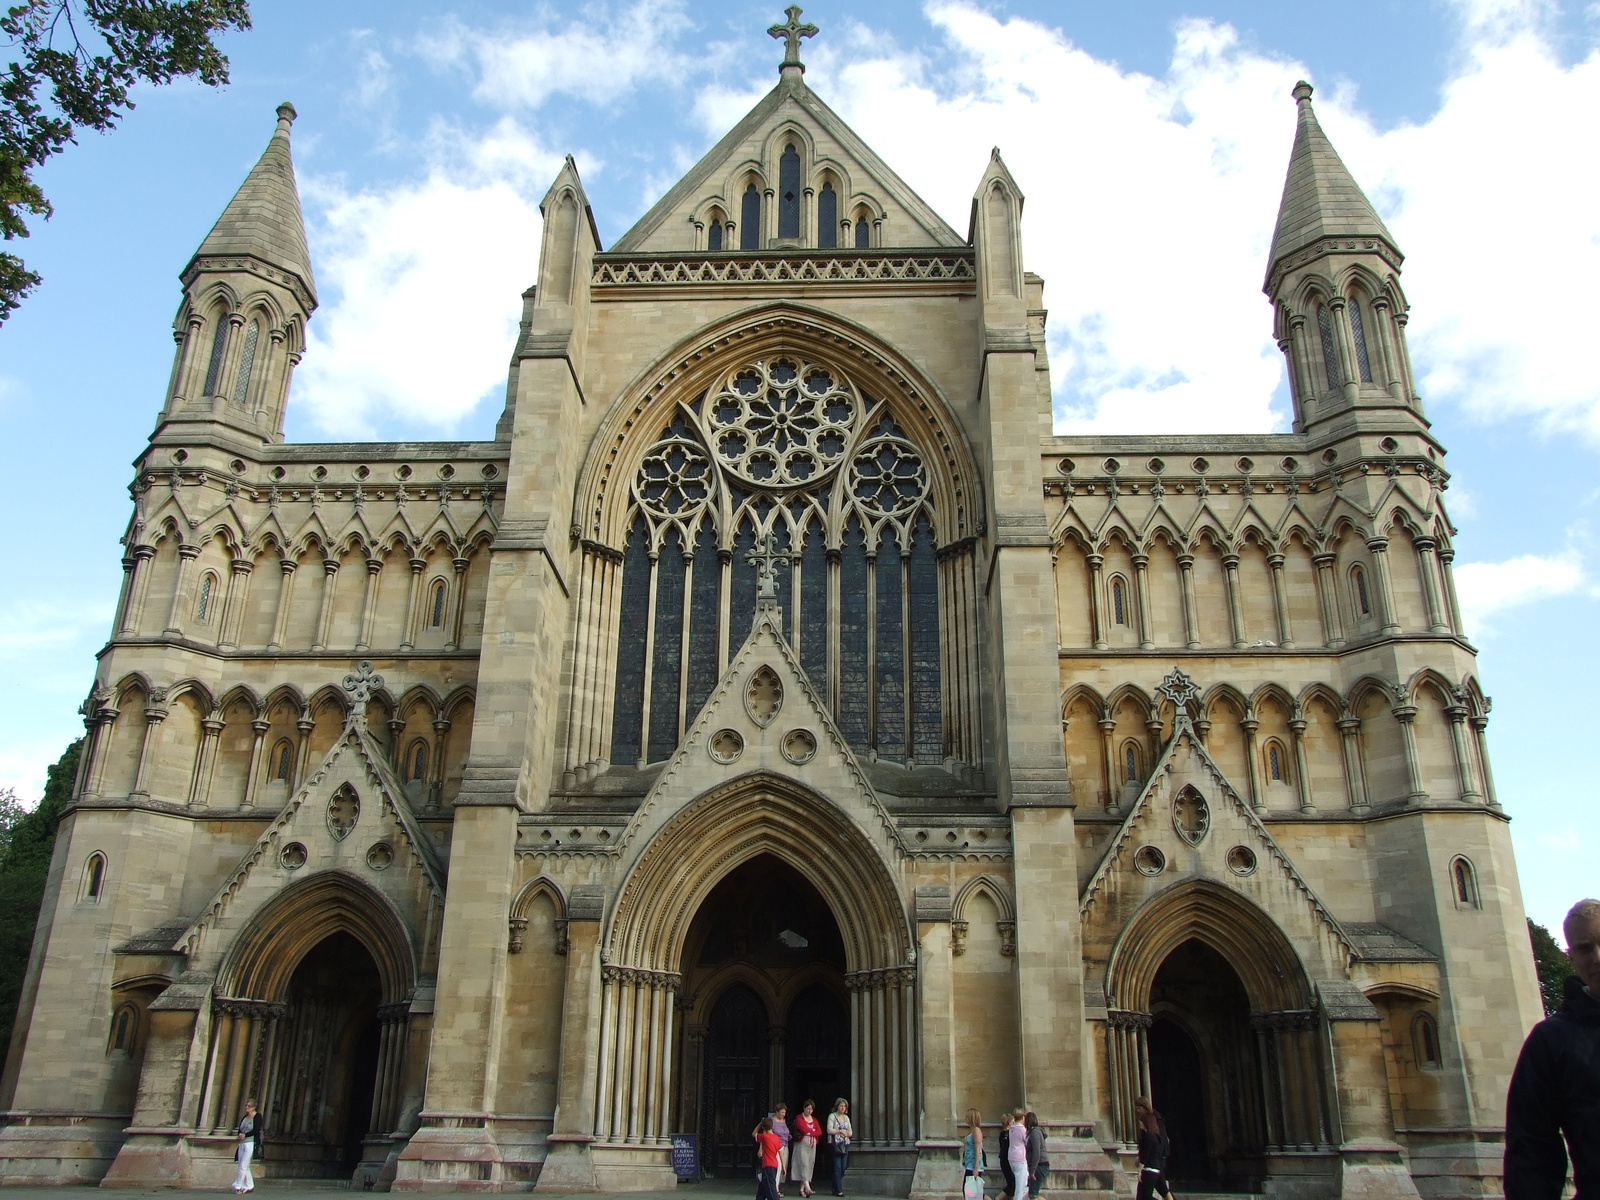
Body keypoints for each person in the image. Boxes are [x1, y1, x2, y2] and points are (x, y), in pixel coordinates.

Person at [1505, 897, 1600, 1199]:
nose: (1597, 957)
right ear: (1571, 956)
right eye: (1586, 948)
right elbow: (1532, 1152)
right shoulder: (1552, 1041)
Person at [1132, 1097, 1171, 1200]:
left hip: (1156, 1160)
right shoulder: (1148, 1131)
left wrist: (1158, 1156)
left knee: (1160, 1188)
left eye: (1139, 1107)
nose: (1137, 1110)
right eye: (1136, 1108)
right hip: (1152, 1163)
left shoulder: (1154, 1119)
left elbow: (1162, 1141)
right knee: (1160, 1188)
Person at [791, 1099, 823, 1198]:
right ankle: (808, 1187)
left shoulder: (814, 1119)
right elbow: (803, 1128)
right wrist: (811, 1130)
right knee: (803, 1164)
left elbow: (819, 1132)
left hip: (812, 1144)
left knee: (809, 1164)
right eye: (808, 1108)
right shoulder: (799, 1117)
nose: (810, 1111)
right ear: (804, 1108)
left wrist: (810, 1132)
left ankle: (802, 1189)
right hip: (802, 1144)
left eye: (811, 1109)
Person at [826, 1097, 852, 1196]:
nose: (843, 1108)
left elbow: (850, 1131)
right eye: (841, 1106)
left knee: (843, 1167)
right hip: (836, 1144)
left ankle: (834, 1185)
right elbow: (829, 1130)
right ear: (837, 1106)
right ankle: (839, 1190)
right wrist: (839, 1131)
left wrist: (847, 1134)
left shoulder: (846, 1118)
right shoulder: (832, 1116)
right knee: (837, 1167)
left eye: (844, 1106)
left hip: (845, 1144)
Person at [233, 1097, 259, 1194]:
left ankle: (238, 1186)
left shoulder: (257, 1117)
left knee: (243, 1166)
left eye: (249, 1106)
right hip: (242, 1143)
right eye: (246, 1105)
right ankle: (249, 1185)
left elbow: (256, 1130)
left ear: (253, 1107)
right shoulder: (245, 1117)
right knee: (243, 1165)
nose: (246, 1107)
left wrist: (245, 1135)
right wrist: (240, 1134)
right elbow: (240, 1128)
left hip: (250, 1143)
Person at [755, 1116, 783, 1200]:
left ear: (763, 1127)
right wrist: (784, 1166)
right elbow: (780, 1152)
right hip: (774, 1164)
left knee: (771, 1189)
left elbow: (754, 1133)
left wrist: (760, 1124)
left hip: (767, 1165)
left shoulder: (764, 1137)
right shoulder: (776, 1138)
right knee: (762, 1189)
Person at [962, 1108, 986, 1200]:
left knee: (970, 1190)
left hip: (973, 1165)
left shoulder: (976, 1131)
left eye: (967, 1117)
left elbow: (978, 1149)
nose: (966, 1119)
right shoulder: (971, 1131)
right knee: (969, 1190)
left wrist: (976, 1167)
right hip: (969, 1164)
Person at [1007, 1109, 1030, 1200]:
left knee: (1024, 1182)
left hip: (1012, 1157)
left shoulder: (1012, 1127)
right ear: (1023, 1118)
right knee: (1020, 1188)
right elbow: (1027, 1141)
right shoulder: (1021, 1129)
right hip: (1020, 1158)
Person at [1024, 1111, 1047, 1198]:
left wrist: (1032, 1171)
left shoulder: (1035, 1133)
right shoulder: (1032, 1133)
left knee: (1033, 1195)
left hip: (1039, 1165)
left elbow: (1036, 1152)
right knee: (1033, 1194)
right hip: (1038, 1165)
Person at [996, 1111, 1016, 1200]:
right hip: (1006, 1160)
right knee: (1012, 1182)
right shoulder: (1008, 1134)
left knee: (1011, 1183)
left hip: (1004, 1159)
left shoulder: (1002, 1134)